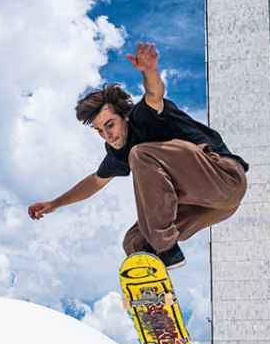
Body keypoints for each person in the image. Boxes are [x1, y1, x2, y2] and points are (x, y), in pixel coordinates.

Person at [27, 42, 248, 269]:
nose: (107, 136)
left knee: (140, 154)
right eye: (99, 131)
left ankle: (167, 249)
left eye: (110, 125)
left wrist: (149, 71)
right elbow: (95, 181)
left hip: (225, 180)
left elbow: (154, 94)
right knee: (136, 242)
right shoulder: (117, 152)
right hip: (213, 208)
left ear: (124, 116)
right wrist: (55, 204)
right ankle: (153, 295)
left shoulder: (144, 116)